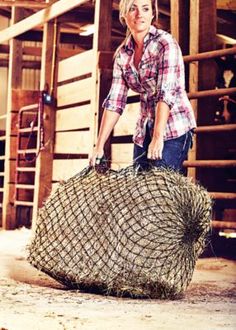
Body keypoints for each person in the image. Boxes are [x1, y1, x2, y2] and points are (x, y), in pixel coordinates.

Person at [90, 0, 196, 172]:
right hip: (144, 128)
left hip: (173, 126)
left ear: (152, 14)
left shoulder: (165, 44)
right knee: (138, 191)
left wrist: (157, 136)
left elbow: (165, 94)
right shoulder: (122, 55)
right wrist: (99, 146)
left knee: (157, 189)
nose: (140, 14)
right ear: (124, 15)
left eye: (145, 9)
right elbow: (114, 103)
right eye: (133, 9)